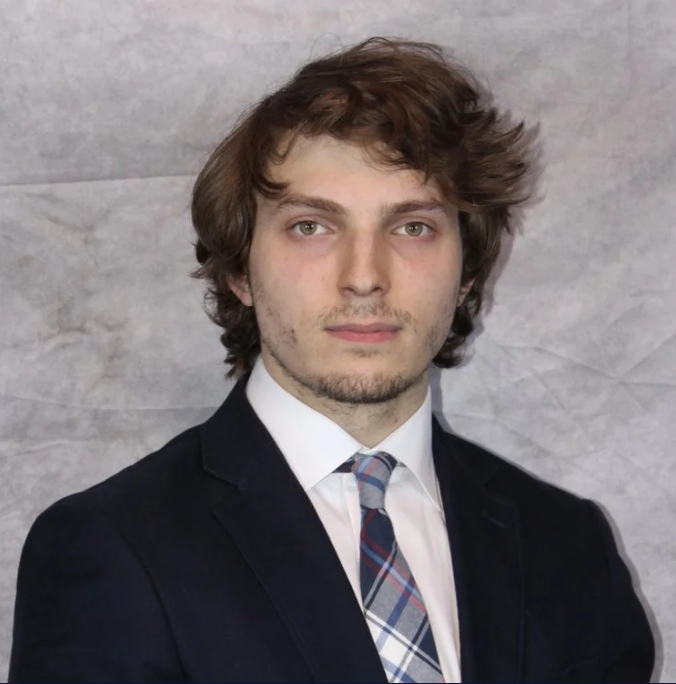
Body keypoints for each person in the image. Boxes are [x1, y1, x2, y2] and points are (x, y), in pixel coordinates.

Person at [9, 37, 654, 683]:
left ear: (466, 272)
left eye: (413, 227)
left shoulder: (570, 546)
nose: (364, 277)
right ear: (239, 269)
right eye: (311, 227)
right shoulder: (111, 548)